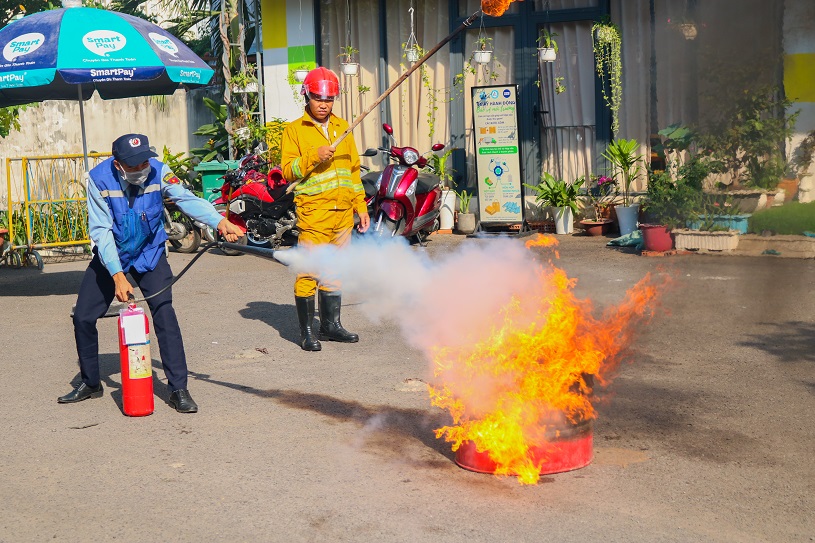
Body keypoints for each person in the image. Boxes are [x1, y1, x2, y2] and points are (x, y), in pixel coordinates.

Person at [58, 133, 244, 413]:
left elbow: (186, 199)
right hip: (113, 254)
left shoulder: (159, 171)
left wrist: (219, 222)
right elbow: (101, 231)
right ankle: (91, 383)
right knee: (84, 316)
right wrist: (117, 275)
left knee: (165, 314)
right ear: (117, 164)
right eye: (133, 165)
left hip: (150, 252)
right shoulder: (99, 180)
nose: (141, 168)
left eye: (144, 161)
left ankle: (178, 388)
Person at [280, 66, 370, 352]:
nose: (324, 104)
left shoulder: (344, 128)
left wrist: (361, 206)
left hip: (343, 213)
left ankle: (330, 326)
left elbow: (352, 172)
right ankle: (307, 332)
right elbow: (287, 171)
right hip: (314, 212)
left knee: (335, 269)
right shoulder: (294, 130)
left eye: (329, 99)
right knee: (309, 270)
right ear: (306, 96)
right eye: (318, 98)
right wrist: (313, 156)